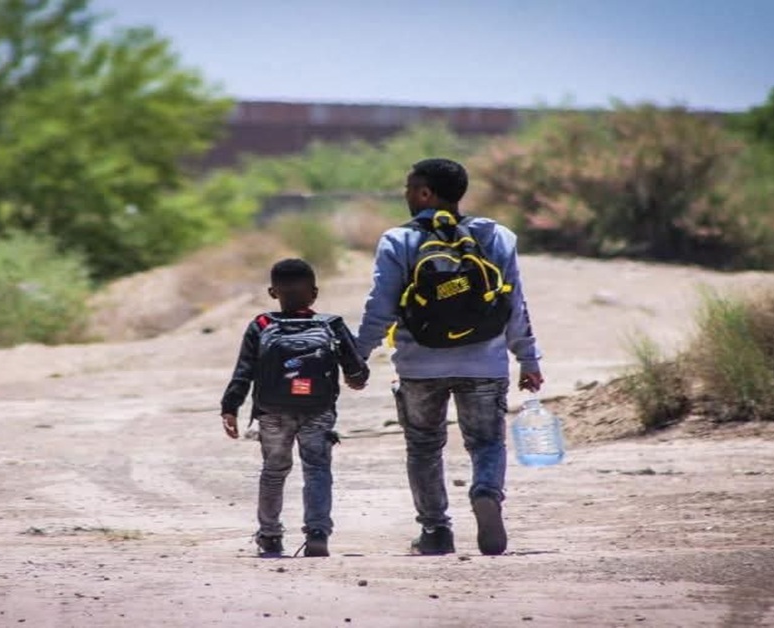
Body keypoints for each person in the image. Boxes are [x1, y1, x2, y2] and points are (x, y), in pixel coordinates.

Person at [355, 158, 544, 556]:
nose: (405, 196)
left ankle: (435, 531)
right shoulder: (498, 237)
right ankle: (485, 492)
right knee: (487, 442)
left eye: (409, 189)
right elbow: (515, 305)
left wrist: (357, 356)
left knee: (423, 446)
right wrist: (528, 359)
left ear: (425, 193)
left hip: (418, 365)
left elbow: (381, 307)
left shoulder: (398, 240)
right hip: (485, 363)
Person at [220, 258, 369, 557]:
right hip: (319, 409)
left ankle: (270, 536)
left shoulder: (261, 325)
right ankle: (317, 532)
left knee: (273, 472)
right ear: (314, 293)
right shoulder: (331, 324)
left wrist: (230, 407)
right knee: (317, 469)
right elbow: (358, 372)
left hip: (271, 411)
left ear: (273, 292)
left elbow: (243, 371)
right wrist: (355, 379)